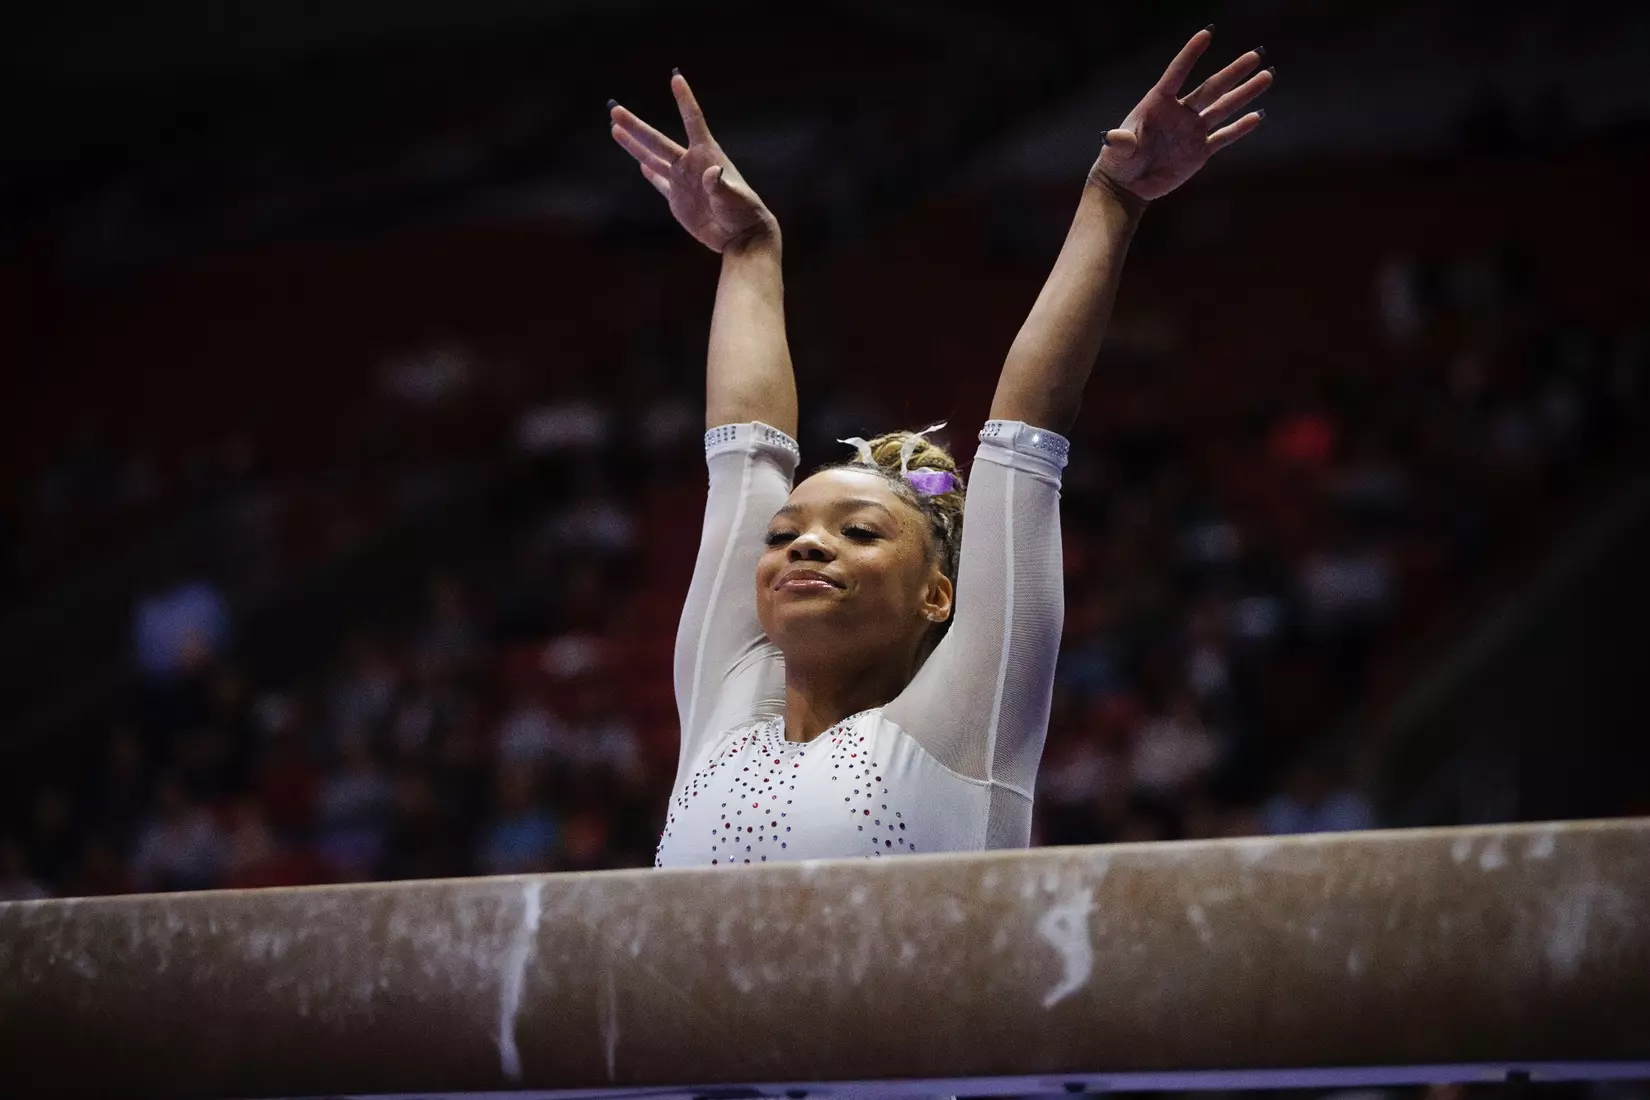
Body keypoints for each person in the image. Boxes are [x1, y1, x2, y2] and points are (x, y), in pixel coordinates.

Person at [607, 29, 1272, 866]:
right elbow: (745, 456)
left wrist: (1113, 197)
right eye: (784, 535)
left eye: (859, 531)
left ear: (937, 596)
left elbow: (1028, 428)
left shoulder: (962, 726)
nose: (804, 543)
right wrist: (747, 250)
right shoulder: (721, 710)